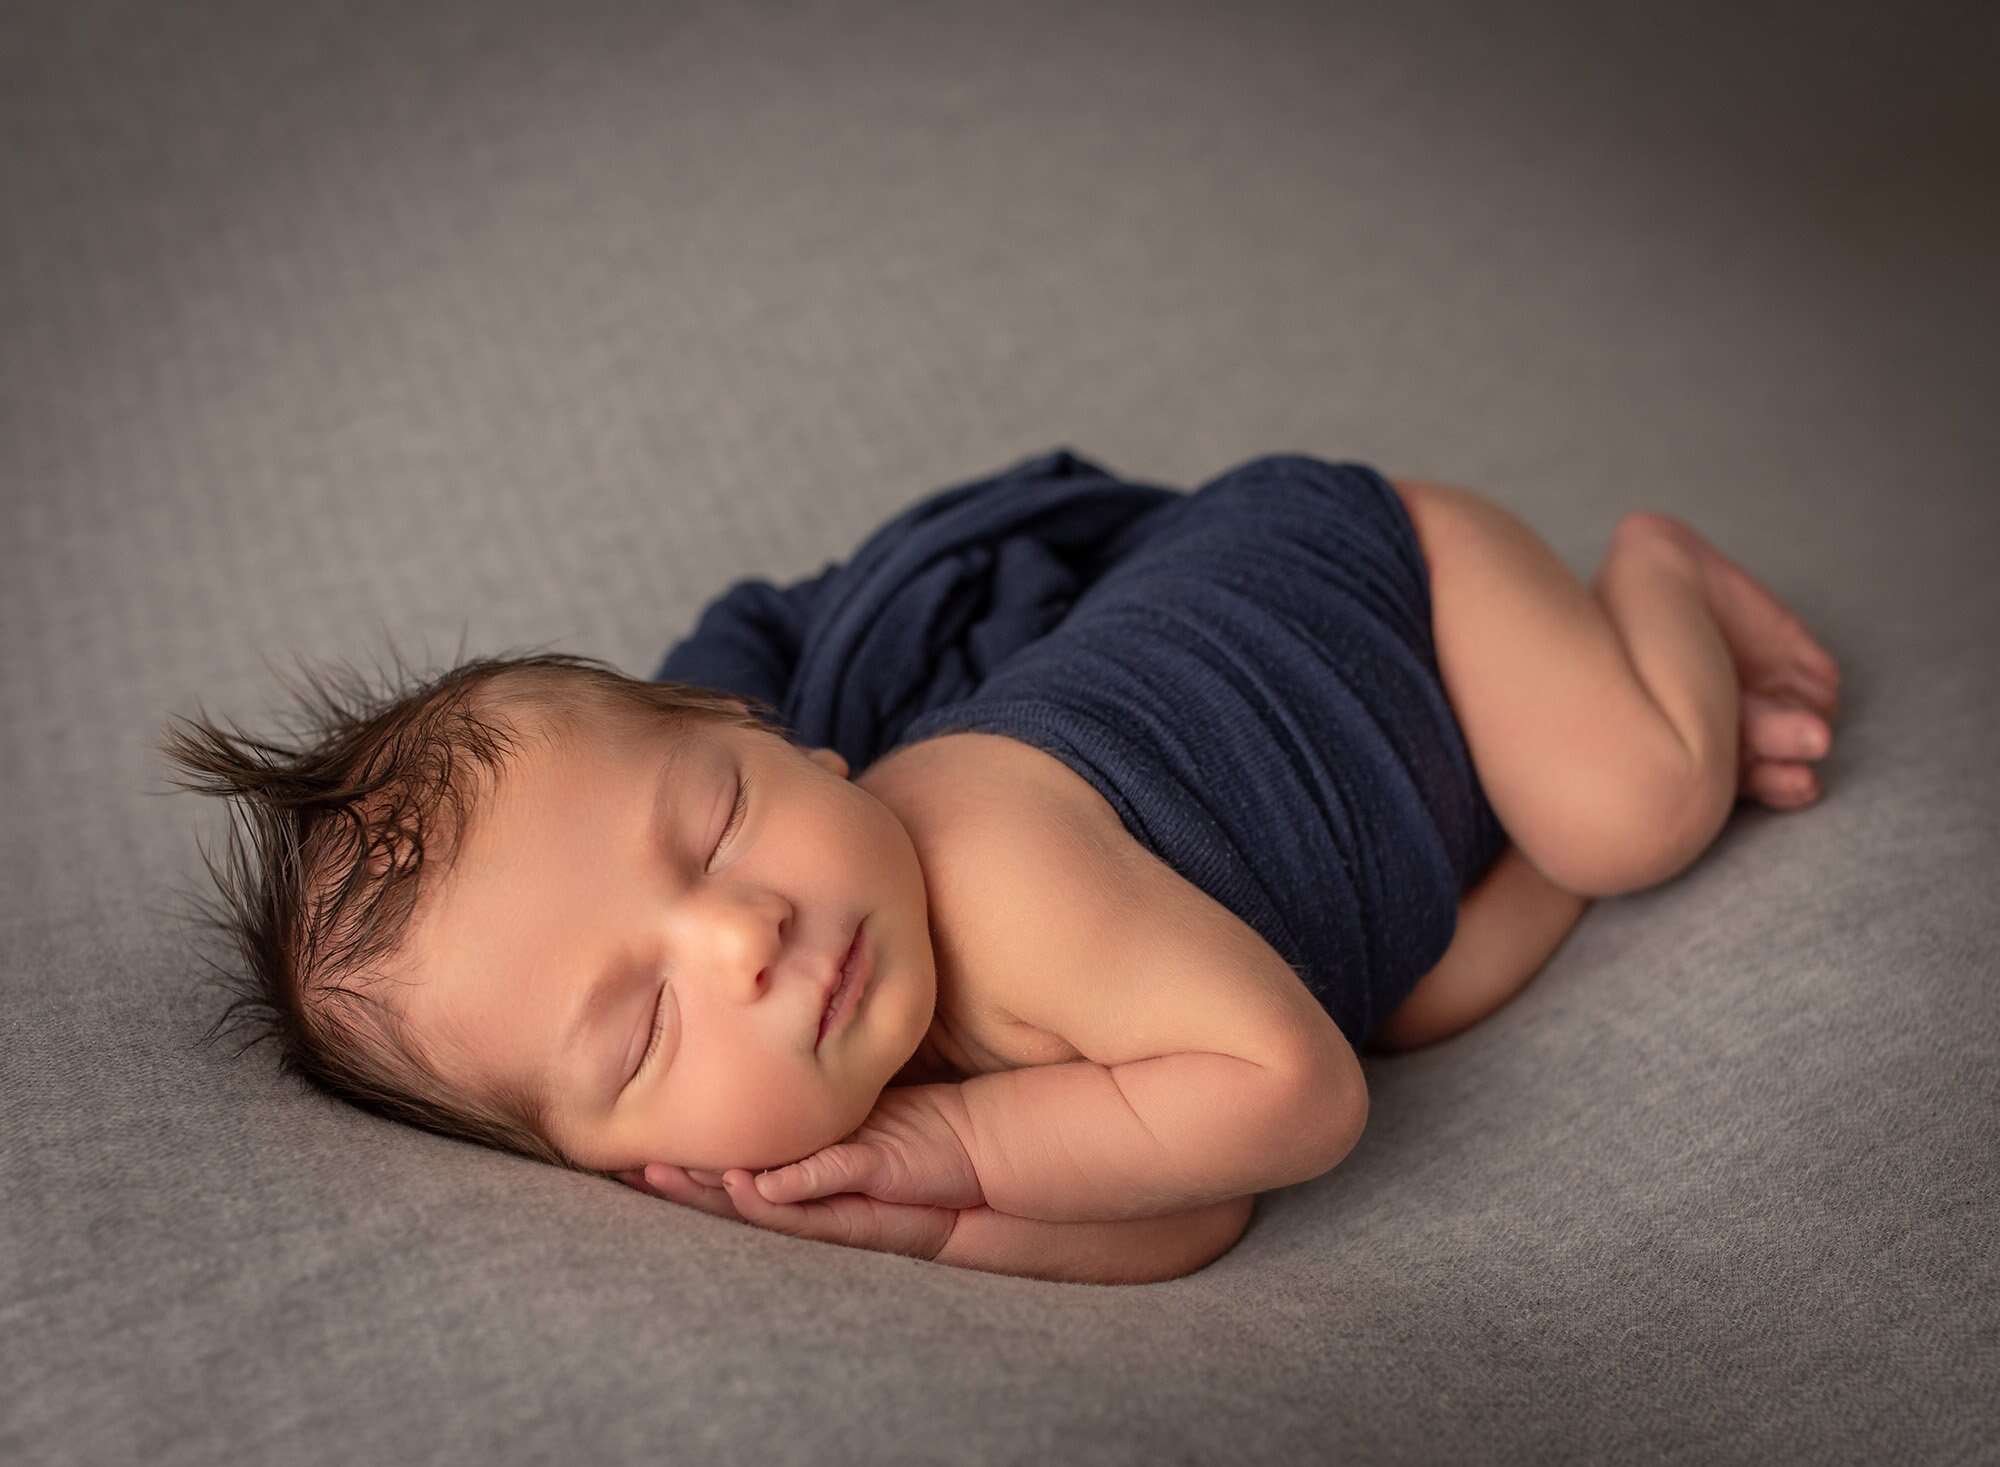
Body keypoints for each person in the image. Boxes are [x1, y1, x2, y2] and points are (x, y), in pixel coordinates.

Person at [158, 451, 1841, 1284]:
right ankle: (1547, 806)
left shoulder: (997, 868)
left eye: (721, 821)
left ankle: (1651, 577)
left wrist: (958, 1136)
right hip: (1347, 864)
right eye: (643, 1035)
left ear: (793, 742)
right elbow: (1198, 1211)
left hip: (1364, 585)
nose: (739, 935)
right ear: (616, 1166)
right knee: (1438, 994)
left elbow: (1293, 1103)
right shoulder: (869, 1046)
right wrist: (931, 1219)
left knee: (1637, 812)